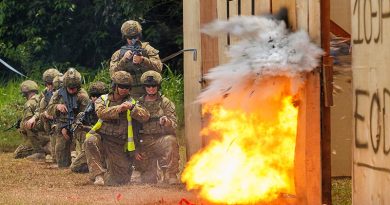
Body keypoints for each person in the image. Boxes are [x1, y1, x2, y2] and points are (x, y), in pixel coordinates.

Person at [85, 71, 150, 186]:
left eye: (127, 87)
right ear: (114, 86)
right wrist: (118, 109)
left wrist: (132, 108)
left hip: (117, 144)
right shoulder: (103, 99)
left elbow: (145, 116)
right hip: (102, 138)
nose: (124, 89)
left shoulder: (133, 102)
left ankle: (108, 169)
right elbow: (101, 112)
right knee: (90, 141)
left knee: (119, 180)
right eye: (121, 86)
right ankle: (98, 175)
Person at [135, 71, 180, 185]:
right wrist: (135, 149)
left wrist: (167, 122)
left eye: (154, 86)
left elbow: (174, 124)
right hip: (144, 143)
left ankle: (171, 174)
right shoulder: (138, 104)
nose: (151, 88)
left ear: (158, 86)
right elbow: (131, 128)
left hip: (160, 140)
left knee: (171, 141)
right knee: (148, 179)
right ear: (144, 87)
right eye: (148, 86)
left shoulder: (165, 103)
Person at [47, 68, 89, 168]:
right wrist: (57, 107)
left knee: (84, 141)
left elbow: (84, 116)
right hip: (62, 125)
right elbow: (49, 109)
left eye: (74, 88)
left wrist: (70, 127)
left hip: (80, 126)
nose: (71, 90)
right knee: (61, 159)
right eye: (69, 88)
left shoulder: (83, 96)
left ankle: (83, 162)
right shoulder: (58, 93)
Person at [109, 20, 163, 98]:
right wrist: (124, 60)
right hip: (127, 94)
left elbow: (159, 68)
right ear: (125, 37)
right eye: (129, 37)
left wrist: (143, 60)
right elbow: (112, 74)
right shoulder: (119, 54)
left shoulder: (148, 50)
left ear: (139, 35)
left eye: (135, 37)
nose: (132, 40)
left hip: (149, 93)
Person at [70, 81, 108, 173]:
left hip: (108, 143)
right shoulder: (89, 109)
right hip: (92, 143)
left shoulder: (109, 108)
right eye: (93, 95)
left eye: (98, 96)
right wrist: (79, 125)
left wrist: (85, 128)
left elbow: (101, 129)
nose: (95, 98)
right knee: (75, 167)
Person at [14, 80, 50, 160]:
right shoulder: (41, 99)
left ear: (25, 93)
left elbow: (28, 123)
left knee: (18, 154)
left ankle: (40, 152)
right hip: (48, 132)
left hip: (39, 136)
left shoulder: (29, 103)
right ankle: (46, 149)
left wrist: (21, 127)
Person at [38, 68, 61, 161]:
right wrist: (45, 114)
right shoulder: (45, 94)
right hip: (50, 124)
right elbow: (39, 110)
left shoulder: (63, 91)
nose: (49, 86)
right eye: (47, 84)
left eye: (51, 83)